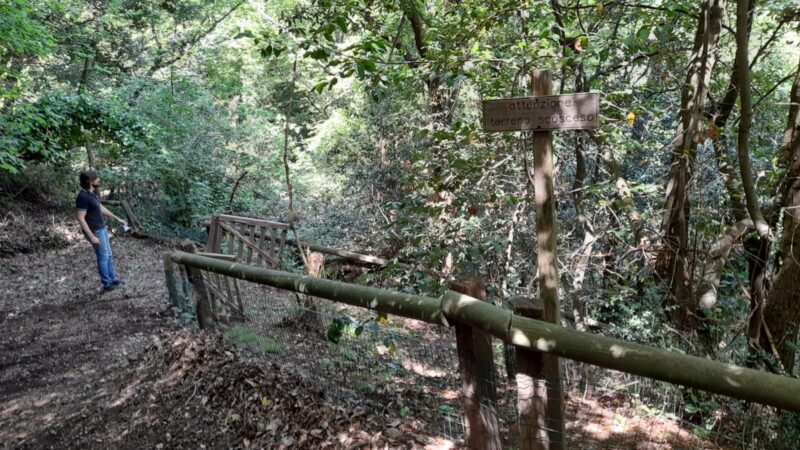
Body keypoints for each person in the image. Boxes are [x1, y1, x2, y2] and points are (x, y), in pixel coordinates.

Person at [75, 170, 127, 292]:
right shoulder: (82, 196)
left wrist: (117, 218)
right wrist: (91, 236)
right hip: (95, 231)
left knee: (108, 255)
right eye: (96, 178)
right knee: (103, 257)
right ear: (90, 181)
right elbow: (80, 218)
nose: (99, 180)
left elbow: (100, 207)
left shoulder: (91, 194)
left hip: (102, 228)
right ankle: (107, 284)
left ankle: (113, 279)